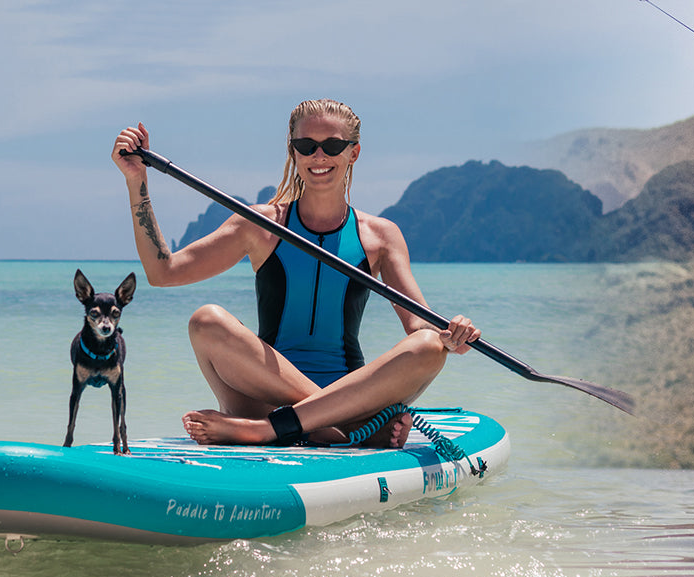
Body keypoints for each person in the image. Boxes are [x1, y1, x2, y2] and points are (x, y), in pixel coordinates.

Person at [110, 99, 481, 448]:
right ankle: (344, 426)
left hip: (336, 395)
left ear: (353, 152)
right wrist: (136, 181)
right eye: (306, 145)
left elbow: (419, 326)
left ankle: (271, 429)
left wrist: (452, 336)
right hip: (268, 398)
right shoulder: (259, 224)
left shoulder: (380, 236)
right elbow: (163, 272)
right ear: (293, 151)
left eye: (332, 146)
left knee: (429, 346)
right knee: (205, 321)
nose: (319, 156)